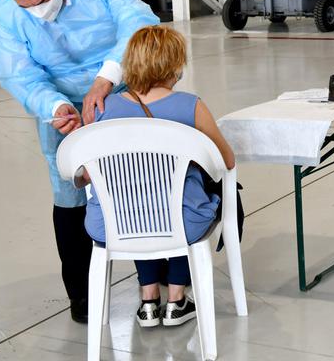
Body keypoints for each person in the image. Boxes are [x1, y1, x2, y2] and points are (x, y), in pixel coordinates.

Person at [0, 0, 159, 322]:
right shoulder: (5, 12)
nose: (40, 14)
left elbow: (139, 23)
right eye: (28, 7)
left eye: (45, 0)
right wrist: (53, 107)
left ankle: (161, 278)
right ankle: (83, 295)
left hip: (122, 81)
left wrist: (106, 78)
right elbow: (19, 74)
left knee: (146, 177)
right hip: (60, 100)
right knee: (69, 190)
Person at [82, 25, 236, 327]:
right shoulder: (190, 106)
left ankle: (149, 301)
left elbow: (87, 174)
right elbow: (226, 161)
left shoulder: (104, 108)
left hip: (114, 223)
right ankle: (176, 301)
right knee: (175, 207)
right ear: (174, 65)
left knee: (136, 207)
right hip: (181, 222)